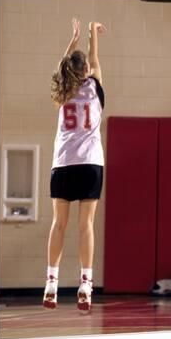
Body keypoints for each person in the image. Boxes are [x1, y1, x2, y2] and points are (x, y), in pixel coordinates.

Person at [43, 17, 106, 313]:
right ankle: (85, 284)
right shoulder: (94, 88)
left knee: (59, 224)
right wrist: (93, 33)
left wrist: (73, 40)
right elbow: (94, 59)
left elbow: (61, 67)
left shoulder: (62, 91)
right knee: (86, 225)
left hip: (64, 164)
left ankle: (52, 284)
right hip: (91, 163)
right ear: (87, 72)